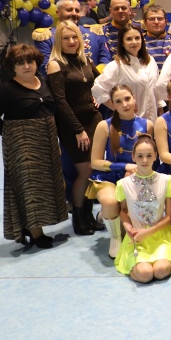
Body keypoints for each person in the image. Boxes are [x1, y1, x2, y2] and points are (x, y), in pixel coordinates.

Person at [0, 44, 69, 249]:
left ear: (36, 63)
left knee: (46, 184)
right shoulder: (6, 90)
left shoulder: (44, 83)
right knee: (29, 187)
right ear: (13, 67)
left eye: (29, 62)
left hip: (47, 141)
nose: (26, 66)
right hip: (22, 145)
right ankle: (35, 232)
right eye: (20, 63)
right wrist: (13, 136)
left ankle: (33, 225)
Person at [47, 21, 103, 235]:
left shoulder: (85, 60)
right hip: (73, 125)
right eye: (66, 38)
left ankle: (88, 215)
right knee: (84, 170)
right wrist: (78, 130)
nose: (71, 41)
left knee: (92, 170)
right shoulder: (55, 64)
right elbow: (60, 101)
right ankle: (78, 218)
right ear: (58, 41)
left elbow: (101, 83)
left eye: (74, 37)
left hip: (93, 120)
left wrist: (97, 97)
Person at [90, 84, 154, 257]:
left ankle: (110, 217)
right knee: (110, 202)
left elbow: (150, 157)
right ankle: (114, 237)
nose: (124, 104)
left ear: (134, 98)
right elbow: (95, 162)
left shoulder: (147, 125)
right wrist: (124, 166)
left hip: (136, 178)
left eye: (127, 99)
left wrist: (138, 171)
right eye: (118, 101)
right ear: (112, 104)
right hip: (109, 177)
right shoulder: (104, 126)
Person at [114, 134, 171, 282]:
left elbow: (169, 216)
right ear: (133, 157)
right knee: (145, 274)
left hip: (160, 236)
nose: (145, 160)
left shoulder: (166, 180)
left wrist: (148, 232)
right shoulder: (123, 184)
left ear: (155, 156)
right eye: (140, 156)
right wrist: (127, 226)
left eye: (149, 155)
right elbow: (123, 211)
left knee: (160, 271)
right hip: (137, 238)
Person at [91, 23, 160, 123]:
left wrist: (160, 110)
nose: (134, 42)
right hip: (129, 123)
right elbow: (98, 90)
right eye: (129, 39)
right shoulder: (116, 66)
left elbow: (156, 89)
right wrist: (119, 108)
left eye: (137, 38)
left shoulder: (150, 61)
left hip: (152, 121)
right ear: (122, 43)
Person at [34, 0, 111, 75]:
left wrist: (96, 75)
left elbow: (105, 59)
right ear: (58, 12)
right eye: (69, 10)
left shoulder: (94, 33)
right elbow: (45, 67)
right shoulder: (46, 36)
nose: (74, 13)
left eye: (77, 10)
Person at [141, 4, 171, 69]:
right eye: (152, 19)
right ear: (145, 22)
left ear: (166, 22)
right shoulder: (139, 41)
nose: (156, 22)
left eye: (160, 19)